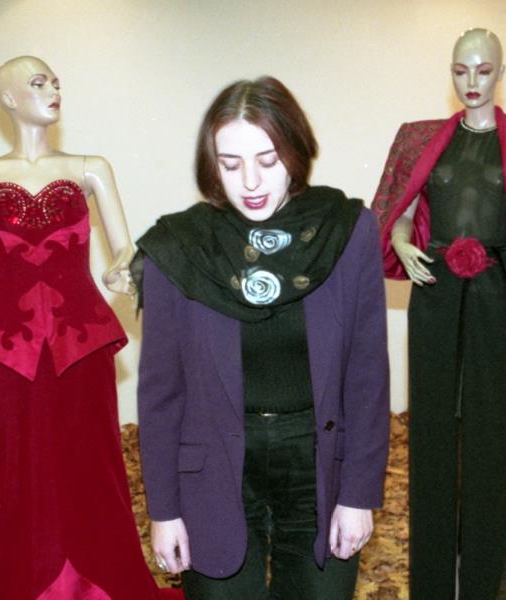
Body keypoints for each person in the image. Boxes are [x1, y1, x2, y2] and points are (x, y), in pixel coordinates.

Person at [133, 76, 391, 599]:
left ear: (295, 151)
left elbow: (368, 374)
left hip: (319, 463)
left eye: (267, 160)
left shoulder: (345, 231)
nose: (250, 181)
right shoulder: (179, 248)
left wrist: (359, 494)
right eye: (231, 165)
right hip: (214, 467)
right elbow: (160, 394)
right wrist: (164, 511)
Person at [0, 56, 164, 600]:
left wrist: (124, 270)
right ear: (9, 99)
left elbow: (126, 248)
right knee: (17, 471)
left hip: (80, 340)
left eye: (57, 82)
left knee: (94, 463)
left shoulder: (91, 168)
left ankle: (105, 585)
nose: (54, 90)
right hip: (5, 348)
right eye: (39, 83)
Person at [372, 29, 506, 599]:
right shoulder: (417, 137)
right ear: (451, 73)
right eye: (461, 70)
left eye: (484, 70)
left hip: (496, 294)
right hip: (435, 290)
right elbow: (396, 204)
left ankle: (484, 584)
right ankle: (433, 588)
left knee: (497, 435)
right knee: (432, 434)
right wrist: (404, 239)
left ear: (502, 73)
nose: (472, 82)